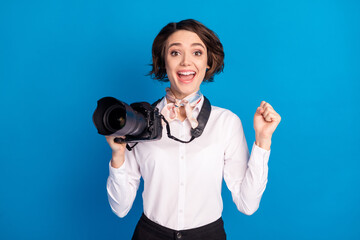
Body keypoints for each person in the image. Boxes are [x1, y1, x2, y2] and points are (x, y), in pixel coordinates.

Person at [105, 19, 281, 240]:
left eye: (197, 53)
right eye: (175, 53)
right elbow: (119, 208)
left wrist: (263, 140)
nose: (186, 62)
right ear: (163, 61)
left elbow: (248, 204)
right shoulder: (139, 121)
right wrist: (118, 154)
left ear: (208, 62)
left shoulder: (226, 122)